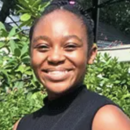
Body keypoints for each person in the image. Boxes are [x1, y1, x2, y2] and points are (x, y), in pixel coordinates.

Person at [13, 0, 130, 130]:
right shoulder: (22, 125)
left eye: (70, 46)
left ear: (91, 54)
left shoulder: (104, 119)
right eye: (43, 47)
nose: (55, 57)